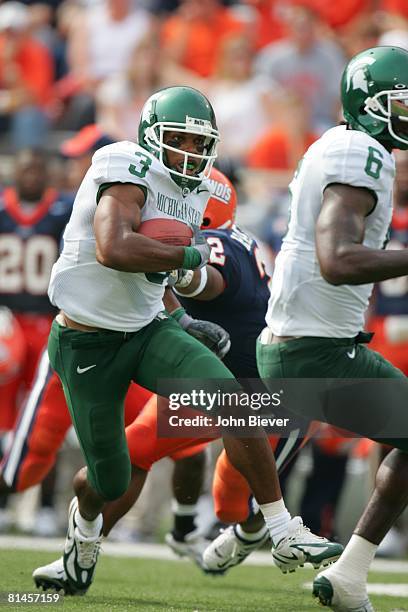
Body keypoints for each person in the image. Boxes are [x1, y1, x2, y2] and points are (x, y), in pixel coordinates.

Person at [37, 85, 341, 596]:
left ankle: (282, 528)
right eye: (180, 139)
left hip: (146, 328)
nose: (192, 153)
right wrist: (188, 259)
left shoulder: (194, 190)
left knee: (231, 403)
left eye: (201, 144)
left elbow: (156, 275)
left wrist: (177, 316)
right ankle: (81, 542)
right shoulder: (123, 162)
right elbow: (114, 248)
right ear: (151, 137)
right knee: (107, 480)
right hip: (86, 341)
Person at [255, 46, 408, 611]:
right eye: (402, 104)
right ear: (369, 105)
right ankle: (346, 571)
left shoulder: (344, 147)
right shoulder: (361, 154)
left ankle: (344, 573)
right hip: (314, 353)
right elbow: (338, 260)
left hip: (308, 346)